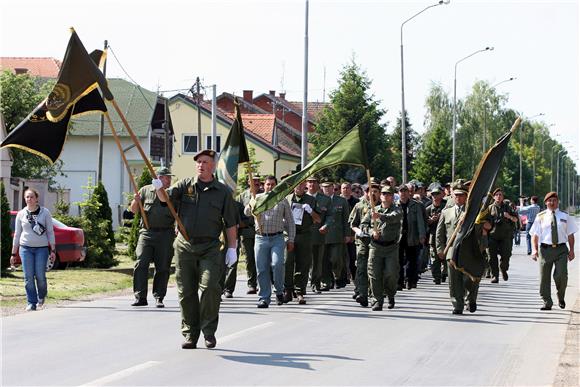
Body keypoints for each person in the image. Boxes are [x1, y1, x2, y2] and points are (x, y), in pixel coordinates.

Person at [153, 149, 238, 350]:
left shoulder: (223, 191)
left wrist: (232, 248)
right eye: (198, 162)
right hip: (185, 245)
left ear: (214, 165)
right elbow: (166, 199)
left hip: (210, 246)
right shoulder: (185, 185)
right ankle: (191, 334)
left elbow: (230, 223)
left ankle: (208, 332)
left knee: (210, 287)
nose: (201, 165)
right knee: (186, 291)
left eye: (205, 162)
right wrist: (158, 189)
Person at [246, 175, 296, 308]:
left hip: (277, 238)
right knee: (261, 269)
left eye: (273, 184)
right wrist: (252, 203)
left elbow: (290, 222)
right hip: (261, 238)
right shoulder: (258, 198)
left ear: (276, 185)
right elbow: (246, 212)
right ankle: (264, 298)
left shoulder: (282, 200)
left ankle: (279, 291)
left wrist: (291, 239)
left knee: (277, 264)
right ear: (264, 185)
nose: (270, 187)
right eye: (268, 184)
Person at [130, 167, 176, 308]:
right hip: (147, 232)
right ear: (159, 178)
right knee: (140, 263)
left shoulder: (172, 192)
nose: (169, 180)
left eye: (169, 177)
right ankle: (140, 296)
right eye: (166, 177)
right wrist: (136, 201)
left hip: (165, 234)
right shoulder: (145, 190)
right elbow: (133, 210)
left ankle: (159, 297)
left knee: (162, 267)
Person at [436, 180, 479, 314]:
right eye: (456, 195)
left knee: (468, 279)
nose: (458, 198)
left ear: (466, 197)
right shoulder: (446, 212)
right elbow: (440, 232)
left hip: (467, 251)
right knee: (454, 281)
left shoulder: (472, 213)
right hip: (451, 251)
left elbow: (478, 230)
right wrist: (440, 249)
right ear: (452, 196)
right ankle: (457, 305)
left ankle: (471, 298)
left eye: (461, 195)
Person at [529, 192, 577, 310]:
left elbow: (570, 235)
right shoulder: (540, 216)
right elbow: (534, 235)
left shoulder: (565, 216)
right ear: (546, 203)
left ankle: (561, 297)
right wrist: (534, 250)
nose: (552, 202)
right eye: (549, 201)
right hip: (545, 250)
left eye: (554, 200)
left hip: (561, 249)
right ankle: (547, 302)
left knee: (561, 275)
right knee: (544, 278)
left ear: (558, 202)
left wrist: (572, 250)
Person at [11, 188, 56, 311]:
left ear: (37, 199)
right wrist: (13, 253)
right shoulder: (21, 214)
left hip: (41, 249)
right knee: (28, 277)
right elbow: (17, 234)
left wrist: (53, 250)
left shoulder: (45, 212)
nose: (29, 199)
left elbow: (50, 232)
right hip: (25, 248)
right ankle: (31, 302)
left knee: (40, 276)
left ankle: (41, 297)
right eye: (27, 197)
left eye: (31, 197)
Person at [362, 185, 403, 311]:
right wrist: (371, 232)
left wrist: (379, 216)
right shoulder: (373, 210)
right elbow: (363, 225)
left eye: (389, 194)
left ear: (392, 197)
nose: (386, 196)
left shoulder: (397, 209)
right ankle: (377, 300)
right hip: (376, 247)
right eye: (384, 194)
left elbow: (394, 218)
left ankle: (390, 294)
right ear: (380, 196)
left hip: (391, 247)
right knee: (374, 274)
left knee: (391, 274)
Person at [284, 180, 319, 304]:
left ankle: (300, 292)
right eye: (296, 184)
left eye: (301, 184)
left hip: (304, 235)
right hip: (288, 234)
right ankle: (287, 290)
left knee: (303, 264)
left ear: (305, 186)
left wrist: (310, 211)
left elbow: (318, 219)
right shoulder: (286, 199)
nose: (299, 186)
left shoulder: (311, 200)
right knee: (287, 262)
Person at [349, 179, 380, 307]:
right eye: (370, 191)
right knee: (361, 267)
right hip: (362, 241)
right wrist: (358, 231)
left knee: (373, 268)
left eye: (375, 191)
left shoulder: (383, 206)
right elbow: (352, 223)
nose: (372, 194)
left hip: (378, 242)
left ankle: (374, 294)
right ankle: (362, 294)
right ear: (366, 192)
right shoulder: (359, 206)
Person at [320, 179, 351, 290]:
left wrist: (347, 234)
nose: (327, 189)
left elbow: (346, 219)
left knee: (336, 259)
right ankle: (326, 282)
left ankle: (338, 276)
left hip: (337, 235)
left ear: (333, 188)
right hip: (322, 236)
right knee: (323, 261)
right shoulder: (318, 200)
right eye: (325, 187)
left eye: (329, 187)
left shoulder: (341, 201)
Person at [397, 184, 426, 290]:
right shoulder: (395, 205)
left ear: (409, 193)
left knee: (412, 260)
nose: (403, 193)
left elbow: (420, 221)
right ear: (398, 193)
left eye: (405, 191)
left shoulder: (415, 205)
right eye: (401, 191)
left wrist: (422, 235)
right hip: (398, 236)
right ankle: (399, 282)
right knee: (398, 260)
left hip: (412, 235)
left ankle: (410, 280)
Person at [237, 175, 262, 294]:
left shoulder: (263, 194)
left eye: (257, 180)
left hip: (261, 230)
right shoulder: (242, 196)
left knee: (262, 258)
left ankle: (264, 283)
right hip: (247, 231)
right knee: (249, 259)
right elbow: (238, 212)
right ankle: (252, 284)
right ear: (248, 182)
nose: (255, 182)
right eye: (253, 180)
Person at [486, 188, 518, 283]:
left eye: (500, 195)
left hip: (505, 236)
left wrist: (509, 216)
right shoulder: (489, 208)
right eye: (497, 195)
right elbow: (484, 221)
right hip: (493, 236)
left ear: (503, 197)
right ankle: (495, 275)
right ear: (494, 197)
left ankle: (503, 269)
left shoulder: (508, 207)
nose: (499, 196)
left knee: (506, 255)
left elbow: (516, 219)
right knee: (491, 257)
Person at [306, 176, 331, 293]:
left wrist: (326, 225)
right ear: (306, 184)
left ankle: (316, 283)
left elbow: (330, 216)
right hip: (303, 234)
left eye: (314, 182)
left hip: (318, 233)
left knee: (317, 261)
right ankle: (300, 284)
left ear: (318, 185)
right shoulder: (301, 198)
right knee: (303, 260)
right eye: (309, 182)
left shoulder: (325, 199)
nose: (312, 184)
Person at [426, 185, 447, 284]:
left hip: (445, 236)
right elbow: (424, 222)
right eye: (433, 194)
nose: (435, 196)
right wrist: (430, 221)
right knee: (434, 258)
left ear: (441, 195)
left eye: (437, 194)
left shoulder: (446, 207)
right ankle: (436, 277)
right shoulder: (428, 208)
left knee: (446, 256)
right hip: (433, 236)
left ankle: (444, 273)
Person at [340, 182, 359, 286]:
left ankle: (354, 277)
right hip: (340, 234)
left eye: (347, 188)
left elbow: (357, 220)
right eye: (343, 188)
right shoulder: (337, 201)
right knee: (341, 258)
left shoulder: (356, 202)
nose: (345, 190)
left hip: (353, 234)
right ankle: (343, 278)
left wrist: (353, 234)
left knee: (352, 257)